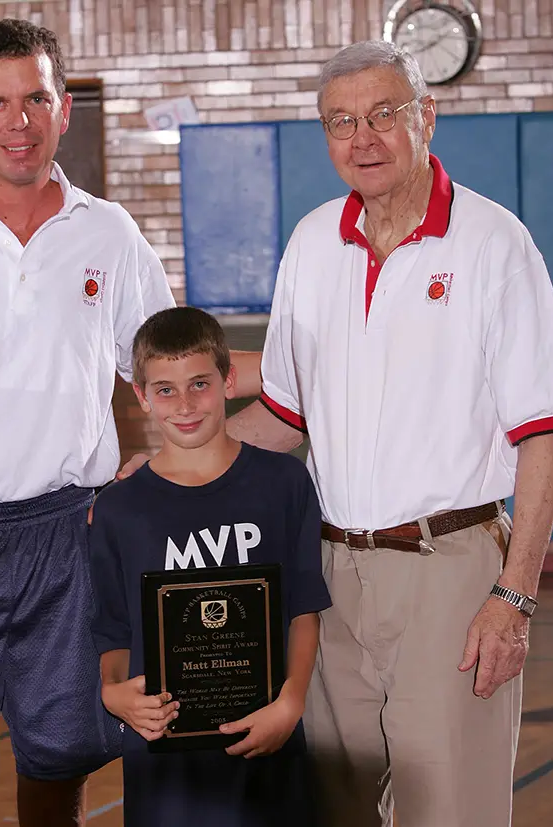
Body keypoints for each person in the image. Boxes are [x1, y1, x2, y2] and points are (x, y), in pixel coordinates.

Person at [0, 19, 260, 827]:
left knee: (59, 766)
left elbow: (165, 369)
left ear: (63, 107)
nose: (18, 120)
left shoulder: (108, 232)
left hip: (70, 536)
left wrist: (175, 470)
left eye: (35, 98)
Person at [216, 40, 553, 827]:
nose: (364, 138)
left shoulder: (494, 242)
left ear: (427, 117)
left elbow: (545, 438)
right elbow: (285, 415)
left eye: (385, 114)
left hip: (450, 573)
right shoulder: (313, 242)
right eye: (341, 122)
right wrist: (171, 473)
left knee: (449, 811)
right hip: (332, 575)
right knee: (336, 806)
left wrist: (512, 594)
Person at [88, 306, 331, 827]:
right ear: (142, 396)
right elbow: (112, 627)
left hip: (267, 733)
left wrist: (290, 703)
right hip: (165, 755)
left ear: (229, 381)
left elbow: (304, 606)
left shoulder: (283, 484)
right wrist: (114, 694)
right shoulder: (118, 509)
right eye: (166, 390)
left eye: (200, 383)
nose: (185, 404)